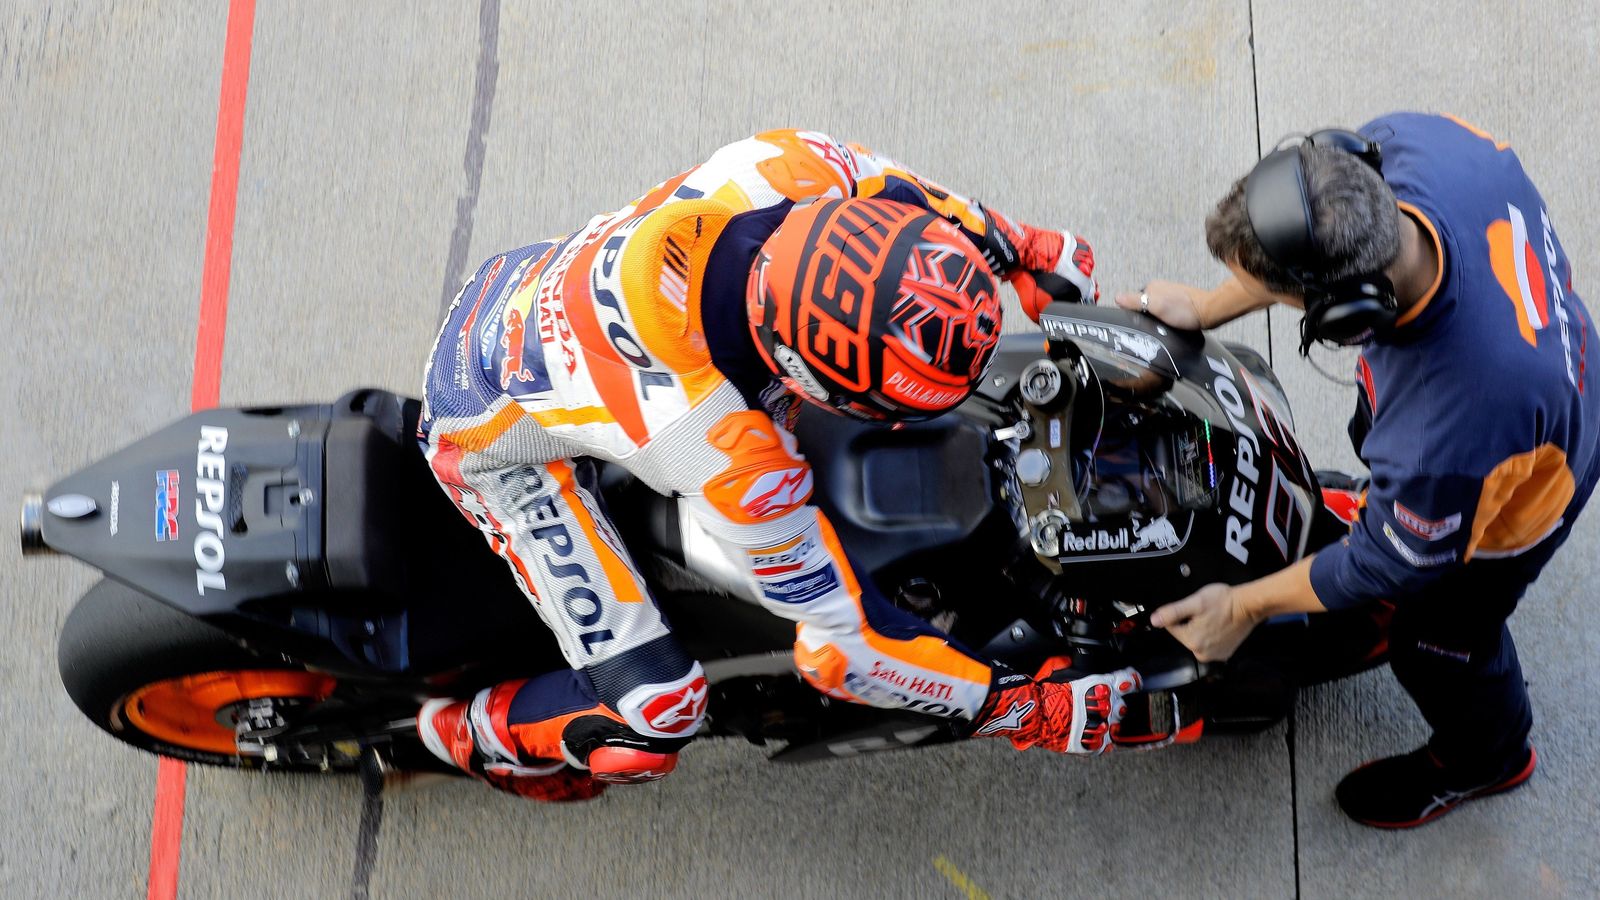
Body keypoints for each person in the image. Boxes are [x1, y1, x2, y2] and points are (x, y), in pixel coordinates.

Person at [415, 129, 1141, 801]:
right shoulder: (721, 441)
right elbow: (843, 652)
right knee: (655, 713)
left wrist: (1021, 248)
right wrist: (1022, 709)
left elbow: (903, 194)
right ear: (807, 377)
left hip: (517, 286)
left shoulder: (786, 170)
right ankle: (466, 735)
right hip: (483, 438)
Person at [1123, 112, 1600, 828]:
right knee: (1384, 476)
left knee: (1436, 637)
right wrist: (1205, 306)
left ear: (1347, 315)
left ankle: (1489, 758)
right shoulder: (1412, 147)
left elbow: (1382, 565)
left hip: (1526, 484)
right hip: (1524, 371)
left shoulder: (1447, 426)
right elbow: (1311, 250)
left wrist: (1242, 608)